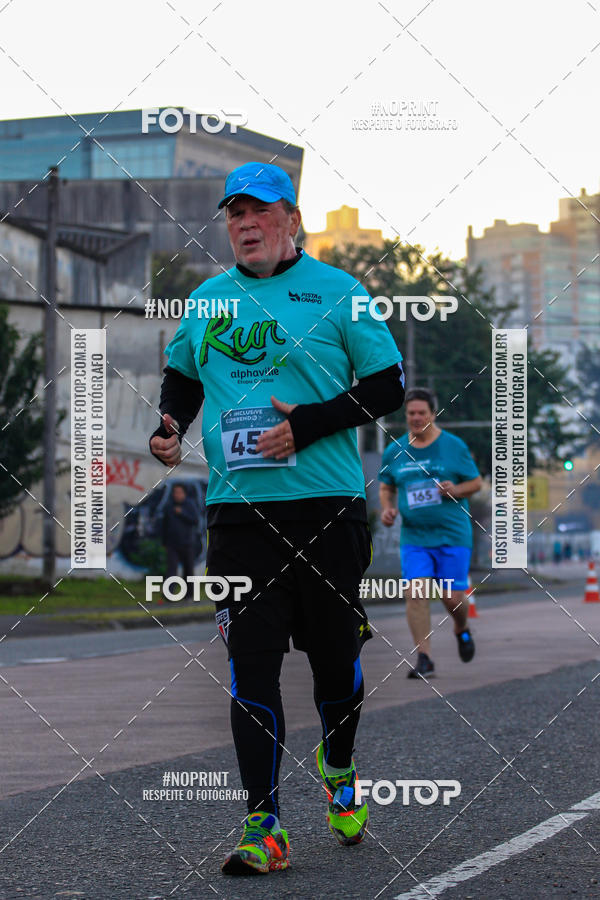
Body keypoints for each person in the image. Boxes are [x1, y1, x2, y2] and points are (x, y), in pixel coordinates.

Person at [149, 161, 405, 876]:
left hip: (328, 510)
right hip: (240, 515)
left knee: (335, 663)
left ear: (291, 219)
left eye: (260, 211)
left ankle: (339, 761)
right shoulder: (206, 302)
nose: (246, 224)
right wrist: (171, 423)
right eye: (234, 214)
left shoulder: (339, 293)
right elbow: (183, 376)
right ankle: (265, 825)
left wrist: (312, 424)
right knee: (250, 664)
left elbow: (388, 384)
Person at [378, 387, 482, 679]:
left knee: (451, 598)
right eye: (411, 413)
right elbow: (387, 485)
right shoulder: (394, 450)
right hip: (414, 538)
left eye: (422, 412)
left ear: (433, 414)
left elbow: (475, 483)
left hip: (452, 534)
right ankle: (424, 658)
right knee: (415, 593)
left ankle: (461, 627)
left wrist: (455, 489)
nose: (416, 417)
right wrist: (388, 508)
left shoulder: (454, 446)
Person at [161, 483, 200, 600]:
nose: (177, 495)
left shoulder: (190, 505)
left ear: (184, 493)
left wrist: (182, 513)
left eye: (179, 492)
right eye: (175, 492)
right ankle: (168, 596)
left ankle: (189, 596)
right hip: (172, 544)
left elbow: (195, 520)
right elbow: (164, 525)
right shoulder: (169, 506)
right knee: (171, 569)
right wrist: (164, 542)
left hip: (187, 543)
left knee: (188, 569)